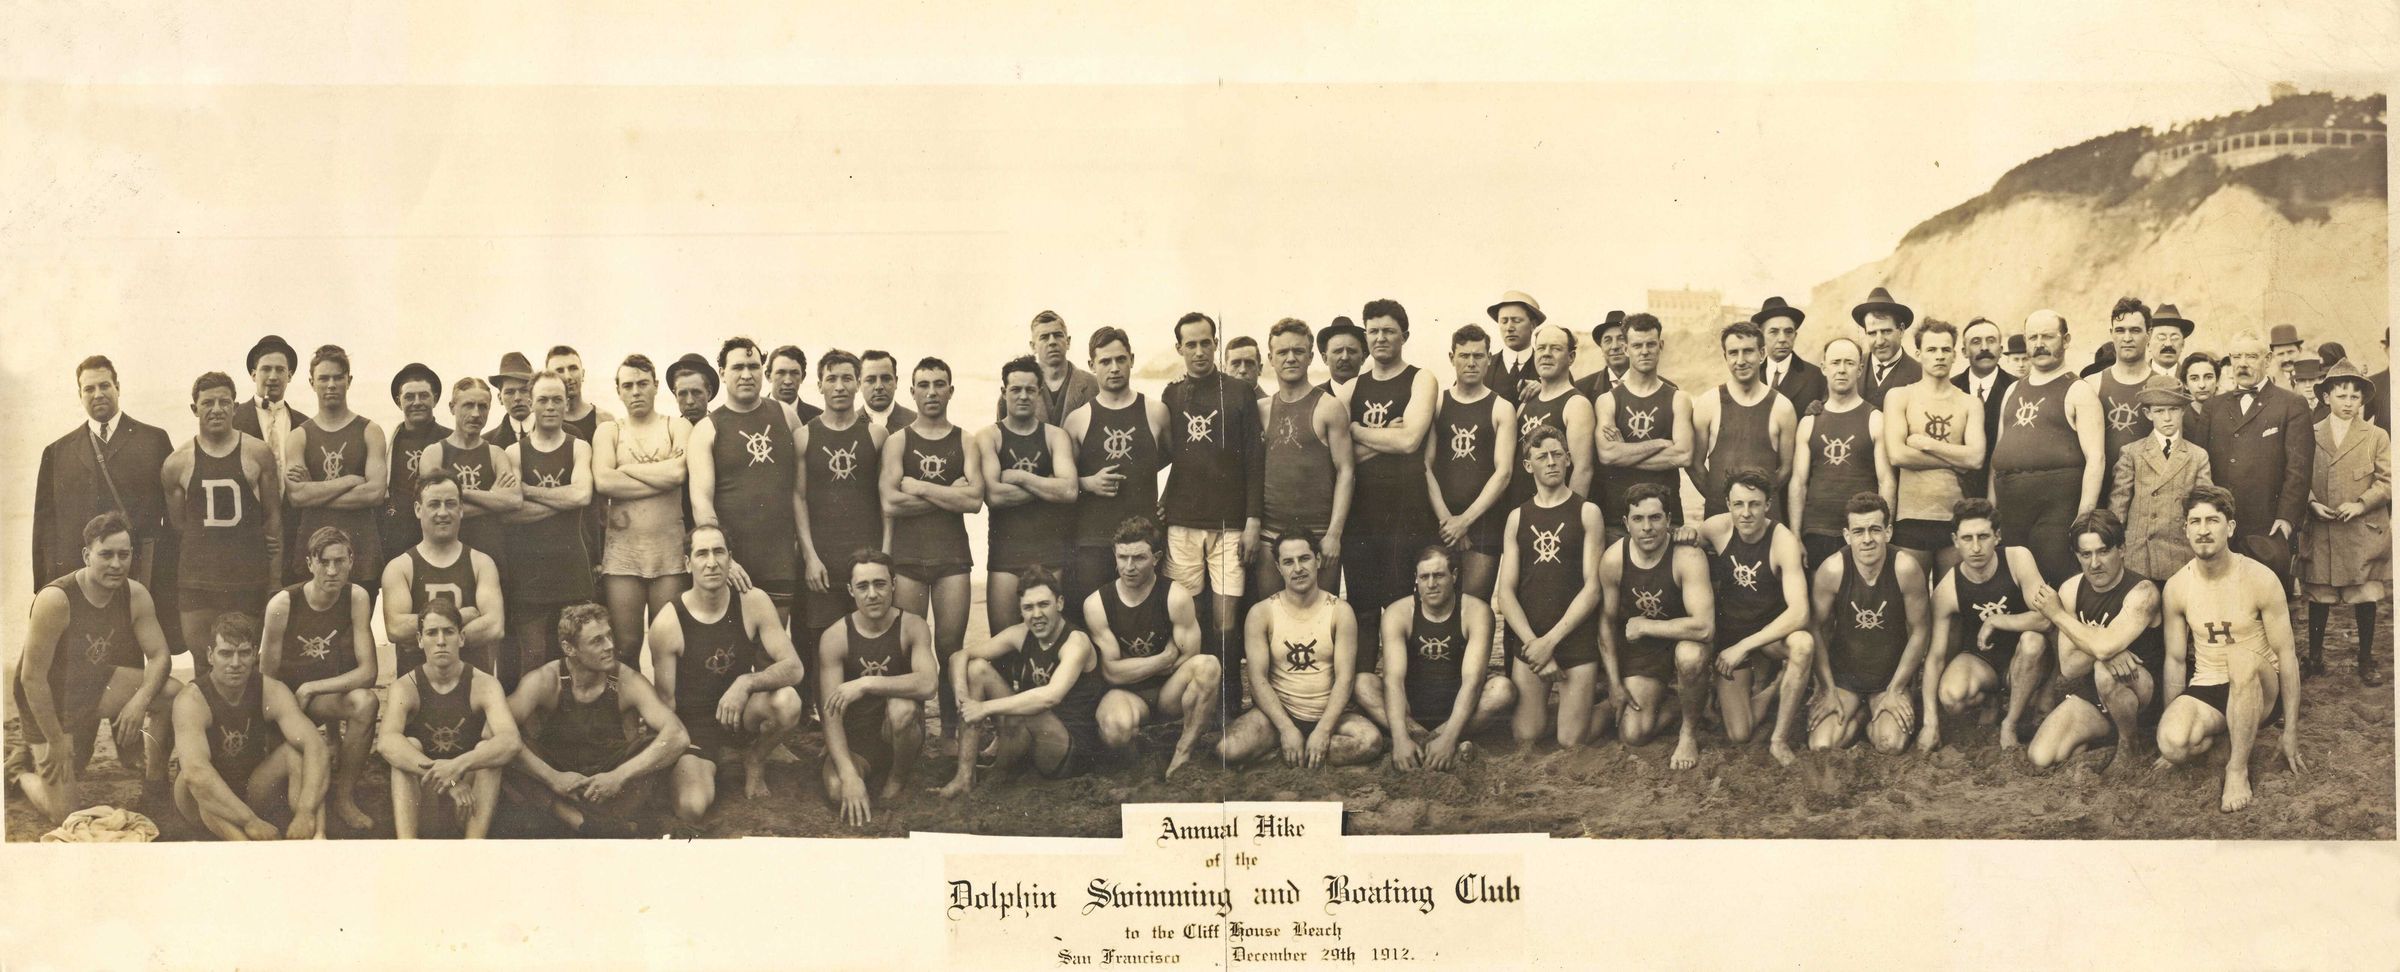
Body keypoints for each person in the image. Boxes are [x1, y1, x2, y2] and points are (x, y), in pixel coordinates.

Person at [5, 512, 181, 823]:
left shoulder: (135, 593)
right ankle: (18, 773)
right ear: (87, 555)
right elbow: (31, 679)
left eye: (124, 555)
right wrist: (55, 739)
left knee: (173, 693)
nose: (116, 564)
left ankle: (154, 782)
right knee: (64, 813)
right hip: (50, 699)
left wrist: (139, 702)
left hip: (95, 683)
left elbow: (160, 656)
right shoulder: (56, 599)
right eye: (106, 554)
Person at [2156, 485, 2304, 813]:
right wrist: (2171, 714)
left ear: (2230, 527)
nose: (2203, 530)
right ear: (2185, 529)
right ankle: (2230, 732)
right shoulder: (2177, 586)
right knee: (2173, 744)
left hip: (2260, 687)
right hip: (2209, 684)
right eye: (2195, 522)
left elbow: (2287, 655)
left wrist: (2291, 731)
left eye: (2213, 520)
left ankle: (2237, 769)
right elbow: (2176, 660)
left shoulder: (2260, 578)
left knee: (2238, 657)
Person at [651, 525, 808, 821]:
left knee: (788, 702)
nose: (712, 562)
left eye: (719, 552)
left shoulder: (753, 601)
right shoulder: (668, 622)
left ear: (730, 558)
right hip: (696, 728)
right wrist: (675, 754)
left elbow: (794, 667)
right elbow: (665, 704)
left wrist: (745, 682)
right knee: (691, 808)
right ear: (687, 564)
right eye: (702, 554)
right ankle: (707, 764)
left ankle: (755, 759)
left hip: (740, 714)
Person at [507, 602, 689, 837]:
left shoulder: (626, 680)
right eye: (597, 641)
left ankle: (580, 820)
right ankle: (577, 820)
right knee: (505, 746)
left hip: (608, 781)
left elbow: (678, 735)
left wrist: (618, 777)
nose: (610, 646)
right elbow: (494, 730)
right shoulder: (545, 680)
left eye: (609, 636)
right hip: (559, 779)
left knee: (656, 743)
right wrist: (552, 778)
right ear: (569, 648)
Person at [1160, 312, 1266, 703]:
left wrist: (1253, 520)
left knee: (1225, 622)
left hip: (1230, 525)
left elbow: (1254, 461)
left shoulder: (1238, 392)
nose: (1200, 351)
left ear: (1216, 344)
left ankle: (1230, 699)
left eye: (1206, 342)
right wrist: (1163, 500)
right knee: (1190, 620)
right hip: (1183, 523)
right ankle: (1194, 699)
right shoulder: (1172, 395)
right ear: (1179, 348)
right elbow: (1175, 457)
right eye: (1191, 344)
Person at [35, 357, 177, 640]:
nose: (97, 394)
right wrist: (45, 587)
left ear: (117, 387)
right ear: (80, 394)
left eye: (104, 386)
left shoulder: (153, 440)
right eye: (89, 389)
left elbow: (173, 517)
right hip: (79, 575)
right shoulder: (58, 452)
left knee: (137, 644)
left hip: (139, 569)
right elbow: (45, 527)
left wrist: (169, 578)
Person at [936, 567, 1108, 795]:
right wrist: (962, 697)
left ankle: (1000, 771)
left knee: (1032, 706)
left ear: (1059, 603)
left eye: (1043, 604)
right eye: (1028, 607)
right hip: (1031, 737)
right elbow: (959, 656)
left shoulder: (1076, 642)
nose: (1036, 614)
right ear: (1021, 610)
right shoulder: (1020, 634)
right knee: (976, 669)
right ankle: (964, 777)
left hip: (1069, 750)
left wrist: (984, 707)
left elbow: (1050, 697)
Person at [1218, 532, 1384, 767]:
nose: (1298, 569)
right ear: (1278, 568)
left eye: (1304, 558)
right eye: (1288, 562)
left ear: (1318, 560)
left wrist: (1324, 730)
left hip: (1329, 716)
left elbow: (1345, 679)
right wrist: (1286, 728)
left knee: (1369, 742)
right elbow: (1256, 679)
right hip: (1279, 716)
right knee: (1228, 750)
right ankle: (1294, 746)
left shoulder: (1340, 611)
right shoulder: (1261, 613)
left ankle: (1291, 753)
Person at [881, 356, 983, 737]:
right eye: (923, 385)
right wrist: (948, 494)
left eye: (939, 384)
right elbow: (891, 502)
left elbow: (974, 501)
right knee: (910, 648)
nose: (932, 392)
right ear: (912, 391)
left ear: (951, 390)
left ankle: (951, 731)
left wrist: (920, 487)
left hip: (952, 558)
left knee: (950, 647)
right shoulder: (898, 441)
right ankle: (914, 730)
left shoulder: (966, 440)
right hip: (907, 558)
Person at [2023, 510, 2166, 771]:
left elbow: (2104, 647)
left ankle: (2130, 744)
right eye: (2085, 554)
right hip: (2096, 697)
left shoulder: (2143, 592)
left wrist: (2057, 615)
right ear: (2076, 555)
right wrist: (2108, 648)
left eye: (2103, 551)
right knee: (2040, 756)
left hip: (2141, 697)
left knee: (2105, 670)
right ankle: (2104, 742)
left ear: (2121, 549)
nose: (2095, 563)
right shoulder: (2071, 589)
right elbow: (2070, 667)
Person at [260, 526, 380, 832]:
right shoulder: (283, 604)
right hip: (286, 701)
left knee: (365, 702)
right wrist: (285, 713)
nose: (332, 570)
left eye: (339, 561)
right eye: (324, 562)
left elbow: (368, 671)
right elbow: (266, 678)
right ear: (310, 563)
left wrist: (312, 688)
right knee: (284, 792)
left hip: (318, 695)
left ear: (351, 561)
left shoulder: (356, 597)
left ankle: (345, 797)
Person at [1695, 471, 1818, 766]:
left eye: (1754, 504)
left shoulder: (1782, 541)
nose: (1746, 512)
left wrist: (1745, 646)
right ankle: (1777, 684)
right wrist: (1686, 536)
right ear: (1728, 504)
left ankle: (1779, 739)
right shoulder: (1715, 529)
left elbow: (1800, 612)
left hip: (1768, 636)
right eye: (1738, 504)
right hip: (1731, 635)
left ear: (1768, 505)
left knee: (1803, 644)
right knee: (1740, 733)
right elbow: (1684, 544)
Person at [171, 612, 329, 840]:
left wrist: (306, 810)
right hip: (202, 803)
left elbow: (316, 746)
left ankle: (315, 835)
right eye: (226, 653)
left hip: (250, 786)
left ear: (255, 654)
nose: (235, 663)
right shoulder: (192, 700)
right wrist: (250, 821)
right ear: (210, 656)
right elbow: (196, 773)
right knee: (198, 781)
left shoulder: (271, 690)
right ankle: (244, 847)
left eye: (244, 653)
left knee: (296, 753)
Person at [1354, 545, 1514, 770]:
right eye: (1424, 577)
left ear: (1454, 576)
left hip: (1459, 705)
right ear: (1416, 579)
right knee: (1362, 683)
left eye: (1438, 575)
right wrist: (1400, 739)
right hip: (1411, 707)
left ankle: (1443, 740)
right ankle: (1424, 739)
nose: (1431, 584)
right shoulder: (1398, 613)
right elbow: (1393, 680)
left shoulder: (1476, 611)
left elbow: (1473, 681)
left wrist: (1448, 737)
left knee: (1503, 689)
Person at [1495, 427, 1606, 748]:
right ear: (1528, 465)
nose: (1551, 462)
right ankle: (1570, 706)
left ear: (1569, 459)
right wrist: (1535, 644)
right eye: (1542, 456)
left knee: (1571, 741)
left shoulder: (1587, 512)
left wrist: (1551, 642)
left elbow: (1592, 588)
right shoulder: (1517, 517)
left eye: (1557, 454)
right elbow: (1505, 593)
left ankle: (1608, 707)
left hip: (1574, 637)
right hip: (1532, 638)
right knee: (1526, 734)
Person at [1085, 517, 1220, 779]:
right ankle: (1138, 756)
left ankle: (1183, 750)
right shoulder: (1097, 603)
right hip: (1126, 694)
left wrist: (1133, 667)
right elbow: (1112, 672)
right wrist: (1165, 658)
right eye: (1122, 557)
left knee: (1208, 666)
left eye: (1139, 558)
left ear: (1156, 558)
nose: (1129, 567)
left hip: (1169, 693)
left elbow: (1191, 656)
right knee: (1116, 730)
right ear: (1115, 556)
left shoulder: (1175, 596)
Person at [1342, 299, 1440, 653]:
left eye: (1389, 331)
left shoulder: (1421, 378)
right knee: (1363, 609)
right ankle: (1364, 678)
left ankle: (1406, 681)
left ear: (1405, 336)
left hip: (1407, 510)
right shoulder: (1351, 387)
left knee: (1405, 606)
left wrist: (1357, 430)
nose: (1380, 338)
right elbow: (1341, 458)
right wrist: (1387, 436)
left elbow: (1410, 440)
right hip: (1361, 513)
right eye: (1373, 331)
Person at [376, 596, 519, 839]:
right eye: (432, 633)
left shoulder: (484, 684)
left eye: (449, 632)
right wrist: (449, 780)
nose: (441, 641)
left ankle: (474, 844)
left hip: (469, 802)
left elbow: (511, 741)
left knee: (488, 749)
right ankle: (407, 846)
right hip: (427, 800)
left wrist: (456, 767)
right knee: (408, 746)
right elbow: (386, 742)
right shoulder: (406, 686)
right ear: (420, 640)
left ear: (461, 637)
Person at [163, 371, 283, 659]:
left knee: (245, 660)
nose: (216, 409)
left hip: (248, 579)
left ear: (235, 407)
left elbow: (273, 519)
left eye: (224, 402)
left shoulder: (258, 453)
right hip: (198, 581)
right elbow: (181, 526)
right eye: (207, 403)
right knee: (204, 660)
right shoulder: (176, 464)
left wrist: (275, 580)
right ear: (194, 408)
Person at [818, 550, 940, 827]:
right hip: (857, 743)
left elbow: (929, 684)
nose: (872, 594)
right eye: (863, 586)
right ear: (851, 590)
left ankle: (897, 777)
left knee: (901, 708)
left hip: (899, 734)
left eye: (880, 584)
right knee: (838, 790)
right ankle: (858, 774)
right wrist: (849, 775)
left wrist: (866, 683)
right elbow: (831, 714)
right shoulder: (835, 636)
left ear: (893, 585)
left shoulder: (912, 626)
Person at [1598, 483, 1717, 769]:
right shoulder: (1614, 559)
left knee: (1689, 656)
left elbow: (1704, 628)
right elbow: (1606, 624)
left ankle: (1688, 732)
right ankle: (1685, 701)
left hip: (1685, 641)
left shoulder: (1687, 556)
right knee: (1633, 734)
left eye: (1655, 518)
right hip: (1646, 652)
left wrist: (1645, 626)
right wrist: (1614, 683)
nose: (1647, 527)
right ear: (1626, 523)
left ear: (1669, 520)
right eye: (1638, 519)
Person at [1919, 499, 2052, 751]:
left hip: (2027, 659)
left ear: (1997, 536)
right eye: (1967, 538)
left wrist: (1996, 620)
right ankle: (1992, 699)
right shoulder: (1948, 589)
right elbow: (1935, 658)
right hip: (1985, 662)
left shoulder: (2017, 559)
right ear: (1955, 540)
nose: (1976, 547)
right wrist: (1930, 723)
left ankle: (2010, 723)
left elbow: (2046, 618)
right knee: (1951, 697)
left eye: (1983, 536)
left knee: (2032, 642)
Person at [1807, 492, 1932, 754]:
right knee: (1822, 745)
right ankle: (1861, 715)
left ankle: (1869, 714)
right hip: (1845, 678)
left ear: (1888, 532)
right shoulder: (1832, 570)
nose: (1867, 539)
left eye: (1875, 529)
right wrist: (1827, 689)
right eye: (1858, 531)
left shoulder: (1905, 569)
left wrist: (1896, 689)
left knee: (1891, 745)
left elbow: (1920, 631)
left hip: (1888, 678)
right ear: (1847, 535)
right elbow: (1817, 630)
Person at [689, 337, 804, 622]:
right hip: (733, 562)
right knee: (733, 639)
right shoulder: (707, 428)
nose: (746, 374)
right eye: (738, 367)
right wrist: (725, 559)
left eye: (753, 366)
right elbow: (701, 502)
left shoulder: (786, 416)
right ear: (722, 373)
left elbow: (802, 489)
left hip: (779, 558)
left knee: (774, 640)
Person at [2189, 330, 2313, 585]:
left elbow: (2298, 469)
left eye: (2251, 357)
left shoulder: (2291, 404)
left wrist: (2286, 520)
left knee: (2268, 599)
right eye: (2236, 357)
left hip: (2268, 529)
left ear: (2267, 360)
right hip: (2221, 529)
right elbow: (2200, 464)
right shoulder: (2213, 407)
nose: (2242, 364)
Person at [1989, 310, 2105, 582]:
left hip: (2057, 514)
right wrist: (1990, 510)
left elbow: (2096, 459)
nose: (2039, 344)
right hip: (2011, 512)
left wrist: (2083, 519)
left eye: (2048, 337)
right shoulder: (2012, 390)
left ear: (2066, 340)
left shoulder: (2078, 390)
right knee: (2014, 584)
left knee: (2055, 582)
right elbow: (1998, 457)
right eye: (2033, 338)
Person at [593, 354, 693, 665]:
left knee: (667, 644)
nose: (636, 391)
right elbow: (604, 481)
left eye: (642, 384)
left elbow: (679, 473)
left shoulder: (676, 426)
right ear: (618, 391)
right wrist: (661, 480)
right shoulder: (610, 431)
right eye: (628, 386)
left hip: (669, 555)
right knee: (625, 646)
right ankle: (628, 700)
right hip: (622, 555)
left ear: (656, 386)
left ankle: (665, 700)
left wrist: (625, 470)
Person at [500, 371, 597, 687]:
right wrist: (562, 500)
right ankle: (533, 719)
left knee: (578, 656)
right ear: (531, 403)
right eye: (543, 400)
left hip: (572, 569)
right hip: (530, 573)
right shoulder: (515, 452)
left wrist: (529, 490)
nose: (551, 406)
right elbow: (511, 511)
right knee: (533, 658)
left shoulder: (579, 447)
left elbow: (582, 496)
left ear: (567, 403)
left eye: (557, 399)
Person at [2297, 363, 2389, 685]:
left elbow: (2387, 480)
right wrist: (2310, 503)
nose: (2348, 402)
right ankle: (2315, 658)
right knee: (2319, 593)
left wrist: (2361, 503)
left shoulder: (2376, 436)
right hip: (2322, 528)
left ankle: (2365, 659)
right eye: (2341, 395)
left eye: (2355, 396)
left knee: (2365, 594)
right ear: (2326, 397)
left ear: (2362, 400)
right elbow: (2297, 476)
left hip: (2361, 531)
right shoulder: (2309, 434)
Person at [1063, 326, 1169, 605]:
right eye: (1105, 361)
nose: (1114, 368)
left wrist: (1167, 498)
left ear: (1131, 359)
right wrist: (1089, 483)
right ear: (1091, 365)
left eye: (1121, 359)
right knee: (1093, 615)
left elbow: (1179, 461)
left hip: (1144, 540)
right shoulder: (1078, 420)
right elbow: (1063, 482)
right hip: (1093, 541)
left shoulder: (1156, 412)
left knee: (1145, 615)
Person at [977, 355, 1080, 636]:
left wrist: (1019, 477)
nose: (1023, 396)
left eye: (1030, 390)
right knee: (1003, 640)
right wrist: (1047, 485)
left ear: (1040, 392)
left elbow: (1069, 491)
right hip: (1005, 554)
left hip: (1049, 553)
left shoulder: (1055, 436)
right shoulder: (989, 437)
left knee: (1049, 639)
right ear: (1004, 392)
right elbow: (994, 496)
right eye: (1015, 389)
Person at [794, 349, 891, 648]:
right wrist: (810, 557)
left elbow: (887, 502)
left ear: (858, 383)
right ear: (819, 385)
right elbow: (798, 498)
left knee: (870, 642)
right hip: (822, 564)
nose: (839, 387)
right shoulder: (804, 436)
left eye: (847, 379)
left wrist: (886, 556)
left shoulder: (877, 435)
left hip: (867, 562)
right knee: (824, 645)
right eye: (831, 379)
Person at [1257, 318, 1356, 599]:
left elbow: (1347, 472)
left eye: (1298, 351)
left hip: (1318, 535)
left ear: (1311, 357)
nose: (1291, 358)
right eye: (1282, 352)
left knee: (1321, 617)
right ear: (1270, 359)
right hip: (1270, 533)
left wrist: (1334, 534)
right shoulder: (1262, 409)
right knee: (1272, 612)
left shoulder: (1329, 407)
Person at [381, 468, 507, 673]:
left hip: (471, 684)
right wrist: (463, 616)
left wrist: (426, 636)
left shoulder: (481, 563)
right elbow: (396, 629)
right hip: (418, 686)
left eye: (450, 504)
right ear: (418, 509)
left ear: (461, 509)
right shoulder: (400, 567)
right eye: (434, 504)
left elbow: (494, 627)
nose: (442, 512)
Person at [1425, 323, 1517, 602]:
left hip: (1484, 520)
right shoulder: (1437, 404)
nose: (1471, 362)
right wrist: (1448, 522)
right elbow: (1425, 465)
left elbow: (1504, 472)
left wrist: (1465, 521)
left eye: (1478, 356)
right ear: (1451, 358)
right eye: (1464, 356)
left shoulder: (1502, 408)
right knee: (1436, 604)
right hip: (1440, 519)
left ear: (1489, 359)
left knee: (1475, 604)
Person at [1882, 319, 1983, 569]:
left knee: (1951, 590)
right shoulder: (1900, 396)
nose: (1939, 356)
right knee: (1911, 589)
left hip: (1956, 515)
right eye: (1931, 349)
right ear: (1918, 354)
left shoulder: (1970, 403)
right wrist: (1955, 461)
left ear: (1955, 355)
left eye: (1946, 349)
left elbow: (1975, 459)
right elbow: (1897, 455)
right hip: (1911, 515)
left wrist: (1926, 444)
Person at [1788, 337, 1895, 570]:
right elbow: (1798, 483)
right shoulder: (1809, 422)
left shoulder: (1875, 419)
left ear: (1860, 369)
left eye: (1849, 362)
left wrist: (1884, 532)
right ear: (1824, 367)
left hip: (1863, 531)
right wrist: (1795, 535)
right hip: (1817, 530)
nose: (1842, 369)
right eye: (1835, 362)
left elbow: (1886, 481)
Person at [1593, 314, 1691, 534]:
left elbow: (1683, 455)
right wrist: (1660, 443)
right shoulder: (1608, 400)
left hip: (1667, 518)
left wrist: (1624, 453)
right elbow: (1607, 455)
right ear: (1626, 349)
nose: (1644, 351)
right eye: (1637, 345)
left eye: (1650, 344)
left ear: (1661, 346)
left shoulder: (1679, 399)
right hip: (1619, 519)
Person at [1689, 320, 1798, 519]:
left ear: (1762, 354)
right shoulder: (1708, 403)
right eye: (1733, 353)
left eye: (1748, 351)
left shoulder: (1783, 407)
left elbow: (1786, 469)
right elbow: (1694, 465)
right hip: (1720, 517)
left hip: (1765, 521)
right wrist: (1720, 499)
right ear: (1725, 357)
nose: (1740, 361)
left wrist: (1758, 503)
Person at [2108, 377, 2213, 581]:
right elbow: (2118, 507)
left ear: (2183, 411)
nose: (2167, 418)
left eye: (2173, 409)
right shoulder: (2132, 452)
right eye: (2159, 411)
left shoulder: (2197, 455)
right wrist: (2117, 549)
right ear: (2148, 414)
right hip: (2139, 554)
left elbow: (2203, 509)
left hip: (2180, 554)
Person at [417, 377, 521, 583]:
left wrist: (457, 495)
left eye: (482, 406)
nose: (475, 414)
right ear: (452, 407)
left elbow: (514, 501)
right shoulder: (434, 453)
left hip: (492, 554)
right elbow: (433, 509)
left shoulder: (496, 454)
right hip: (447, 556)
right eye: (468, 405)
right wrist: (493, 499)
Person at [1511, 323, 1595, 506]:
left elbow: (1583, 470)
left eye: (1555, 348)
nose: (1546, 354)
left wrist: (1568, 515)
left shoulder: (1576, 404)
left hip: (1554, 513)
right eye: (1541, 348)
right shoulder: (1526, 401)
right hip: (1520, 510)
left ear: (1571, 357)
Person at [381, 362, 449, 574]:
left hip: (440, 535)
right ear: (398, 401)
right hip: (397, 537)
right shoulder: (389, 442)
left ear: (435, 399)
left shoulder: (451, 439)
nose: (417, 402)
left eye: (424, 396)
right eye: (409, 397)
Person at [2095, 298, 2167, 497]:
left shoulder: (2163, 385)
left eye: (2135, 330)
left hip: (2148, 493)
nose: (2127, 338)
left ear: (2148, 334)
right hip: (2100, 492)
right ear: (2111, 334)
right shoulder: (2093, 384)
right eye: (2120, 330)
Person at [997, 310, 1100, 425]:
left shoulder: (1094, 385)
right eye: (1044, 337)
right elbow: (1002, 433)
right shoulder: (1013, 391)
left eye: (1058, 335)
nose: (1052, 342)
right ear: (1033, 346)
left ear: (1068, 342)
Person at [1950, 317, 2015, 500]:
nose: (1984, 347)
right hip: (1958, 492)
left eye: (1991, 341)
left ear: (2001, 350)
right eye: (1976, 342)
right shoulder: (1950, 388)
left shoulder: (2017, 388)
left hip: (2004, 492)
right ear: (1964, 351)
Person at [233, 335, 300, 479]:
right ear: (253, 374)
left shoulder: (304, 424)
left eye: (280, 370)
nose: (273, 377)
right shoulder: (234, 419)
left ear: (289, 376)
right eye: (266, 369)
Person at [1853, 287, 1922, 408]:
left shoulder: (1920, 374)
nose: (1880, 341)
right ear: (1865, 333)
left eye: (1886, 331)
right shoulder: (1851, 366)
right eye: (1872, 333)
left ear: (1901, 330)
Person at [1756, 297, 1827, 415]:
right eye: (1774, 332)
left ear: (1795, 335)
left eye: (1788, 332)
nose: (1782, 339)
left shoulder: (1817, 377)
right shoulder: (1752, 376)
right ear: (1761, 337)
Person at [1485, 291, 1544, 403]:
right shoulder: (1483, 367)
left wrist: (1547, 389)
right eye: (1504, 321)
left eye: (1516, 321)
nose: (1509, 328)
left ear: (1533, 325)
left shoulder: (1551, 367)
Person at [1576, 310, 1632, 398]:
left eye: (1621, 338)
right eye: (1608, 340)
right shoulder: (1581, 389)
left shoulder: (1654, 385)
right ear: (1601, 348)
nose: (1615, 346)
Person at [485, 352, 535, 449]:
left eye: (524, 390)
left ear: (535, 393)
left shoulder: (562, 433)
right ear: (500, 398)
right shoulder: (487, 444)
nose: (517, 398)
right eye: (510, 392)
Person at [858, 349, 918, 432]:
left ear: (896, 382)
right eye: (870, 380)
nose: (879, 386)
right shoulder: (847, 424)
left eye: (886, 379)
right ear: (859, 384)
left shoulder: (916, 422)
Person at [767, 345, 823, 425]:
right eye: (781, 373)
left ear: (803, 377)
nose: (788, 381)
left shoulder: (819, 420)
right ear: (768, 376)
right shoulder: (751, 414)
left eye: (794, 373)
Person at [664, 352, 719, 425]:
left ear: (709, 393)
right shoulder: (668, 430)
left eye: (696, 393)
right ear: (675, 396)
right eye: (683, 394)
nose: (690, 401)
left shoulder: (723, 429)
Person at [1316, 317, 1368, 391]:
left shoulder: (1376, 394)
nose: (1345, 357)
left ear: (1363, 358)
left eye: (1352, 351)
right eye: (1338, 351)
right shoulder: (1314, 396)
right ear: (1325, 358)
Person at [2148, 303, 2195, 378]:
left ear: (2183, 345)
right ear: (2148, 344)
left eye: (2175, 338)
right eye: (2161, 337)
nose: (2168, 344)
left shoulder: (2190, 378)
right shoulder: (2136, 378)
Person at [2266, 323, 2306, 390]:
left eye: (2290, 352)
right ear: (2273, 355)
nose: (2286, 359)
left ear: (2300, 350)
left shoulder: (2314, 375)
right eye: (2280, 354)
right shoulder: (2269, 381)